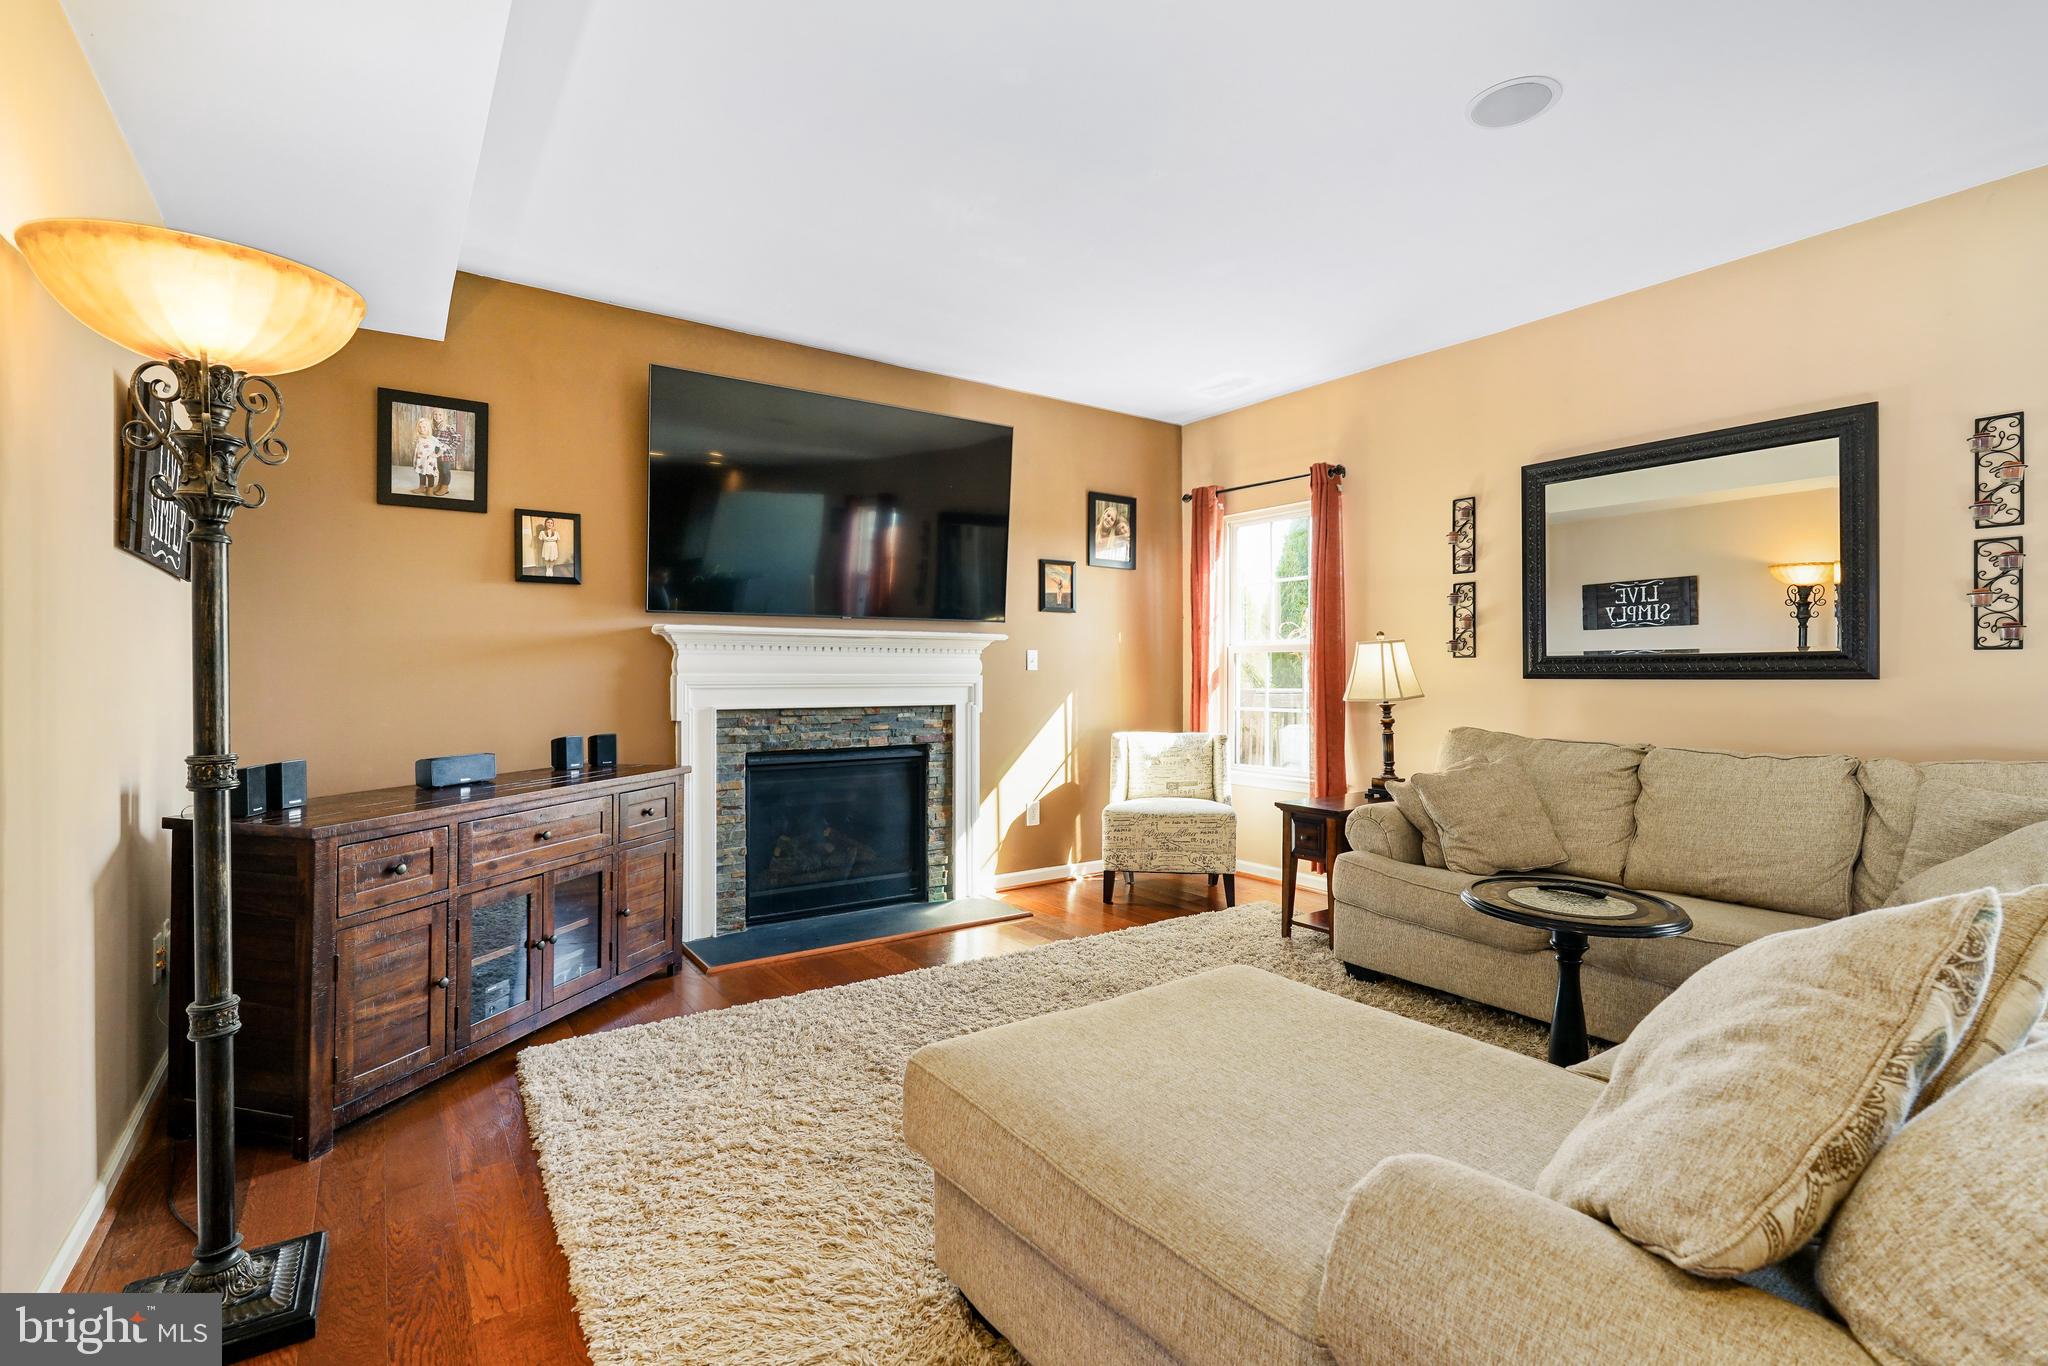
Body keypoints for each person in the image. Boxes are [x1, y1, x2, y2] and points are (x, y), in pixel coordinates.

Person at [410, 414, 443, 493]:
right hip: (420, 461)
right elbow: (416, 448)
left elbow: (442, 447)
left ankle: (430, 489)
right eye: (420, 427)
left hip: (429, 462)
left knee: (430, 475)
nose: (422, 429)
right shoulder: (418, 438)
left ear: (428, 428)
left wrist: (437, 455)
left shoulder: (432, 439)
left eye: (424, 427)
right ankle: (422, 487)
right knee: (421, 474)